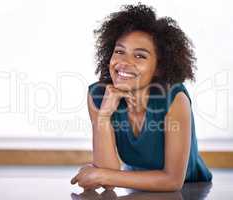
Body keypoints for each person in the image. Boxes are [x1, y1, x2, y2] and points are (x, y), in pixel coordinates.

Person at [71, 3, 212, 192]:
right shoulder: (98, 96)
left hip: (192, 189)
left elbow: (172, 181)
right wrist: (104, 117)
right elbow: (109, 182)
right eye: (119, 51)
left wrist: (101, 174)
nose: (124, 62)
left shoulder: (174, 99)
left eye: (140, 56)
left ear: (159, 67)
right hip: (136, 187)